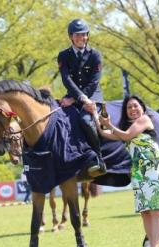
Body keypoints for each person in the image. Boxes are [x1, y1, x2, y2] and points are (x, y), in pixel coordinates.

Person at [89, 95, 159, 247]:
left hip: (154, 168)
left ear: (143, 108)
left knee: (156, 210)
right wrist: (96, 116)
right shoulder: (128, 127)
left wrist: (109, 124)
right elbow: (104, 133)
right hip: (139, 170)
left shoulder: (145, 120)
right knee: (145, 212)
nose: (133, 109)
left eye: (135, 106)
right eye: (129, 107)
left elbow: (125, 136)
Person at [57, 18, 106, 177]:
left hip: (93, 96)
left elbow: (93, 82)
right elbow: (67, 79)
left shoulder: (95, 55)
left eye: (84, 35)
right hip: (73, 95)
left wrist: (81, 100)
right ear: (71, 37)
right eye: (78, 35)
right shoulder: (63, 55)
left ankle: (99, 159)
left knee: (85, 120)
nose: (82, 38)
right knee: (59, 120)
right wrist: (77, 98)